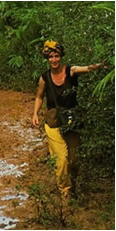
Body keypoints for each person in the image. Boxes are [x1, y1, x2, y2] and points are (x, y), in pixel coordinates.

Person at [32, 40, 106, 197]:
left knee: (73, 160)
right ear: (47, 58)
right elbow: (39, 97)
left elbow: (86, 68)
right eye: (50, 57)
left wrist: (100, 65)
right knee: (62, 160)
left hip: (72, 120)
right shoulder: (44, 78)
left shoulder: (70, 71)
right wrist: (35, 114)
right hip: (53, 122)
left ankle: (73, 186)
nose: (54, 60)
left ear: (61, 56)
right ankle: (65, 193)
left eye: (56, 56)